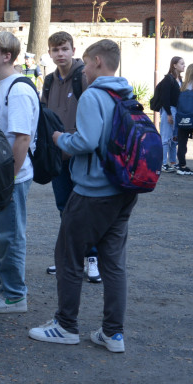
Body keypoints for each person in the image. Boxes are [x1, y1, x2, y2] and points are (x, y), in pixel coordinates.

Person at [29, 39, 139, 353]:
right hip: (123, 188)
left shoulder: (94, 94)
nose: (84, 69)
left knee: (68, 256)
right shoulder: (125, 91)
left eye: (87, 63)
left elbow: (86, 141)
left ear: (98, 62)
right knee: (114, 263)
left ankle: (65, 325)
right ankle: (113, 333)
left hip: (93, 190)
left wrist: (59, 137)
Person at [0, 31, 39, 315]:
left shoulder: (16, 89)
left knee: (10, 235)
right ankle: (9, 289)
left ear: (6, 55)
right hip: (4, 177)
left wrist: (9, 177)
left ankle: (15, 295)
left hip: (11, 178)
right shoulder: (5, 85)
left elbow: (22, 139)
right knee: (2, 234)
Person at [41, 31, 97, 282]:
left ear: (73, 50)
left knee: (84, 207)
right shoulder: (49, 81)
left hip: (81, 154)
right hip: (57, 155)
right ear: (50, 53)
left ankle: (93, 257)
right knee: (64, 207)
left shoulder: (84, 77)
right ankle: (68, 257)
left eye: (64, 49)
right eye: (55, 50)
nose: (60, 54)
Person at [152, 56, 184, 172]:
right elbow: (165, 98)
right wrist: (169, 114)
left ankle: (173, 161)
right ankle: (163, 163)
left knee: (174, 138)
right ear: (174, 65)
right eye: (181, 64)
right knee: (165, 138)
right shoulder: (168, 79)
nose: (184, 66)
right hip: (169, 110)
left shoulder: (179, 80)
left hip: (177, 110)